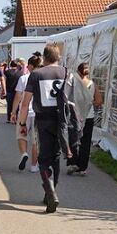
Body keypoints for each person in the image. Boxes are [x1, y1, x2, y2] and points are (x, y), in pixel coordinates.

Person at [17, 44, 71, 213]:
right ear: (58, 57)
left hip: (43, 119)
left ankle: (50, 192)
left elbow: (25, 103)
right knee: (55, 158)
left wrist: (22, 123)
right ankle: (51, 191)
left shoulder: (36, 74)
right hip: (60, 119)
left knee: (43, 160)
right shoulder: (66, 72)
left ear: (45, 57)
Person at [67, 61, 102, 176]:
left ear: (78, 71)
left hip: (75, 115)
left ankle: (73, 162)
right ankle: (83, 167)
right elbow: (99, 101)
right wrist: (89, 102)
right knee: (86, 142)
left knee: (73, 139)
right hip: (89, 116)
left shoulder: (73, 82)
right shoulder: (92, 84)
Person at [10, 54, 40, 172]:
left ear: (30, 66)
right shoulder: (41, 78)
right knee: (36, 140)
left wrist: (13, 112)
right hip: (38, 113)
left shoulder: (23, 78)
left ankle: (23, 153)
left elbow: (18, 97)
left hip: (24, 112)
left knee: (22, 134)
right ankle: (34, 166)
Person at [4, 59, 21, 124]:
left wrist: (3, 90)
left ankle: (9, 118)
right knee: (17, 105)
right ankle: (16, 118)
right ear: (17, 65)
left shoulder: (7, 72)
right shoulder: (20, 73)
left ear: (10, 65)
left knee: (9, 105)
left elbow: (5, 81)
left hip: (9, 91)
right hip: (18, 91)